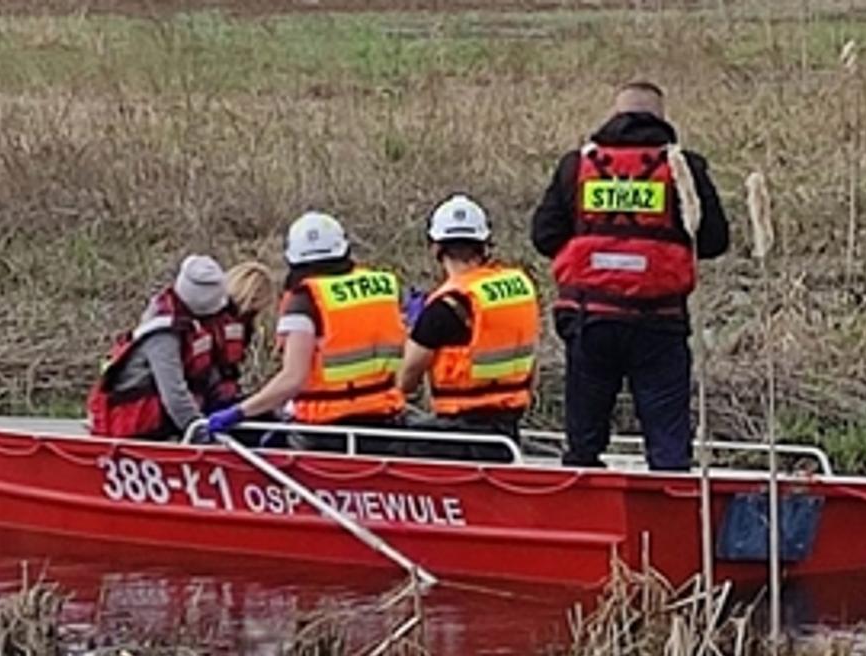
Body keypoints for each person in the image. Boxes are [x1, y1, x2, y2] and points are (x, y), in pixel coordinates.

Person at [531, 80, 729, 471]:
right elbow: (713, 240)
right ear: (661, 117)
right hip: (660, 323)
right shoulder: (682, 167)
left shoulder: (578, 166)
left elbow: (544, 236)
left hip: (591, 318)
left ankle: (583, 517)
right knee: (669, 446)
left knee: (583, 444)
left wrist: (594, 254)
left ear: (615, 115)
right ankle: (672, 521)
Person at [202, 212, 407, 450]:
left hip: (325, 434)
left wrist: (240, 412)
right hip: (386, 423)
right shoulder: (382, 286)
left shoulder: (305, 301)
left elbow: (292, 379)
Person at [397, 194, 539, 462]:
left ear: (435, 247)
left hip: (460, 436)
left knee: (382, 442)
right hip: (507, 429)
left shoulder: (446, 306)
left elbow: (406, 378)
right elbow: (532, 363)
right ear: (485, 245)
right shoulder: (519, 287)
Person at [87, 255, 265, 441]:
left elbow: (209, 375)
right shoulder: (163, 335)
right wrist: (203, 436)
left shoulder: (199, 325)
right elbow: (174, 394)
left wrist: (236, 408)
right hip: (142, 429)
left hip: (183, 418)